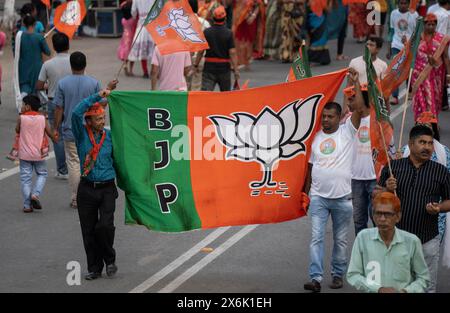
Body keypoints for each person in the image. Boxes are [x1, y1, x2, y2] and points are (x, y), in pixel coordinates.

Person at [303, 69, 364, 292]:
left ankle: (338, 275)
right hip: (319, 198)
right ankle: (316, 278)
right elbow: (310, 168)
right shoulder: (315, 137)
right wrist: (306, 193)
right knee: (316, 238)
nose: (326, 120)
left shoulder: (348, 132)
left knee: (340, 241)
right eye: (324, 117)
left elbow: (357, 108)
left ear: (340, 118)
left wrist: (355, 83)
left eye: (330, 117)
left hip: (343, 199)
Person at [376, 125, 450, 292]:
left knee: (426, 286)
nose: (427, 147)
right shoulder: (394, 167)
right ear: (410, 144)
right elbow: (376, 197)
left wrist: (438, 208)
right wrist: (387, 189)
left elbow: (448, 201)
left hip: (428, 239)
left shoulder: (440, 171)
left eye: (430, 143)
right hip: (396, 238)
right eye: (422, 142)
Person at [71, 86, 119, 280]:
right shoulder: (81, 134)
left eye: (103, 118)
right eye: (98, 119)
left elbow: (120, 161)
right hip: (87, 189)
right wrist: (98, 96)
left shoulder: (110, 138)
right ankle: (94, 268)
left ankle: (110, 259)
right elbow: (75, 112)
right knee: (88, 230)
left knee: (105, 226)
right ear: (88, 121)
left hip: (107, 188)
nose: (102, 121)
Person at [347, 192, 430, 293]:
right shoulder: (363, 238)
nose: (382, 219)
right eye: (378, 213)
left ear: (398, 216)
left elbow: (423, 278)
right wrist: (378, 289)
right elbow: (353, 275)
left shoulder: (412, 242)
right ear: (373, 215)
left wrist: (406, 291)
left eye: (388, 214)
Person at [54, 52, 102, 209]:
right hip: (90, 129)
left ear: (71, 65)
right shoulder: (93, 83)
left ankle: (76, 198)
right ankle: (93, 195)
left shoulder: (62, 83)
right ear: (85, 65)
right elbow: (102, 103)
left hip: (70, 129)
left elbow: (59, 108)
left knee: (74, 163)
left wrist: (56, 127)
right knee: (90, 160)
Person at [401, 112, 450, 244]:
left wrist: (438, 207)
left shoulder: (444, 152)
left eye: (427, 127)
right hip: (407, 217)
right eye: (420, 126)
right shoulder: (404, 151)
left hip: (435, 217)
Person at [36, 32, 72, 180]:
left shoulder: (48, 64)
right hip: (71, 101)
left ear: (54, 47)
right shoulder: (74, 61)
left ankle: (62, 170)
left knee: (57, 135)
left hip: (53, 101)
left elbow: (39, 85)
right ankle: (76, 165)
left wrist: (48, 84)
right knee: (74, 132)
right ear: (68, 46)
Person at [16, 95, 56, 213]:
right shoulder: (42, 118)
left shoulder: (21, 118)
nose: (22, 107)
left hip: (24, 154)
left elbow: (17, 130)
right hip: (38, 154)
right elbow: (50, 133)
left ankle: (27, 205)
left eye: (23, 105)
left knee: (25, 178)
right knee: (42, 174)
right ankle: (35, 194)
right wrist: (56, 137)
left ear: (28, 106)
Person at [411, 13, 450, 121]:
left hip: (436, 74)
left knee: (435, 98)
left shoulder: (442, 39)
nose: (431, 27)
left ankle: (432, 121)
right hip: (419, 73)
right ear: (424, 25)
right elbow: (410, 54)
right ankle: (420, 121)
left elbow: (446, 57)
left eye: (433, 24)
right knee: (422, 97)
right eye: (428, 24)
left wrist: (448, 74)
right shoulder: (417, 37)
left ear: (436, 25)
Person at [195, 6, 240, 91]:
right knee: (225, 95)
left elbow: (201, 51)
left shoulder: (207, 32)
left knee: (206, 94)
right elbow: (232, 52)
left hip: (209, 67)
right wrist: (236, 70)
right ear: (225, 18)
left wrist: (196, 65)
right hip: (224, 69)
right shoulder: (228, 33)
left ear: (213, 18)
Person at [386, 0, 418, 105]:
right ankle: (394, 96)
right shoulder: (393, 13)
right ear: (397, 4)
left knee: (408, 70)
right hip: (396, 45)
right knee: (395, 70)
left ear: (409, 4)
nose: (403, 5)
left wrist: (410, 41)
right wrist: (388, 48)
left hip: (410, 46)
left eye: (405, 3)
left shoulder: (414, 15)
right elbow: (391, 31)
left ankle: (409, 91)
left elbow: (417, 32)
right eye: (401, 3)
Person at [17, 15, 51, 96]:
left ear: (24, 24)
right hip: (37, 68)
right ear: (35, 24)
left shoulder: (19, 37)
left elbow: (16, 52)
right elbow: (48, 52)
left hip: (23, 67)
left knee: (24, 89)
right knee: (37, 91)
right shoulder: (39, 37)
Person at [232, 0, 266, 70]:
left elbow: (259, 3)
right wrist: (246, 15)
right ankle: (238, 62)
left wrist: (253, 15)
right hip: (240, 20)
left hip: (251, 20)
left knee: (249, 40)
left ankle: (247, 62)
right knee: (239, 40)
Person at [128, 0, 156, 78]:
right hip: (152, 25)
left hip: (142, 25)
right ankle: (154, 71)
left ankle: (145, 71)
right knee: (154, 51)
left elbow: (133, 12)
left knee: (142, 49)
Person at [187, 0, 211, 91]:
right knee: (197, 86)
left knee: (185, 85)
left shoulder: (181, 22)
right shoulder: (205, 23)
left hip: (186, 58)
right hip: (200, 57)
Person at [306, 1, 330, 65]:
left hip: (315, 19)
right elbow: (327, 9)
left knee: (317, 39)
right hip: (317, 19)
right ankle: (315, 59)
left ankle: (316, 59)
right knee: (318, 39)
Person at [117, 0, 137, 77]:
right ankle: (131, 70)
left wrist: (126, 3)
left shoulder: (123, 20)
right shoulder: (133, 20)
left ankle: (125, 65)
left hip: (124, 37)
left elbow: (121, 6)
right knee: (131, 53)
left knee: (125, 51)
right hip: (132, 37)